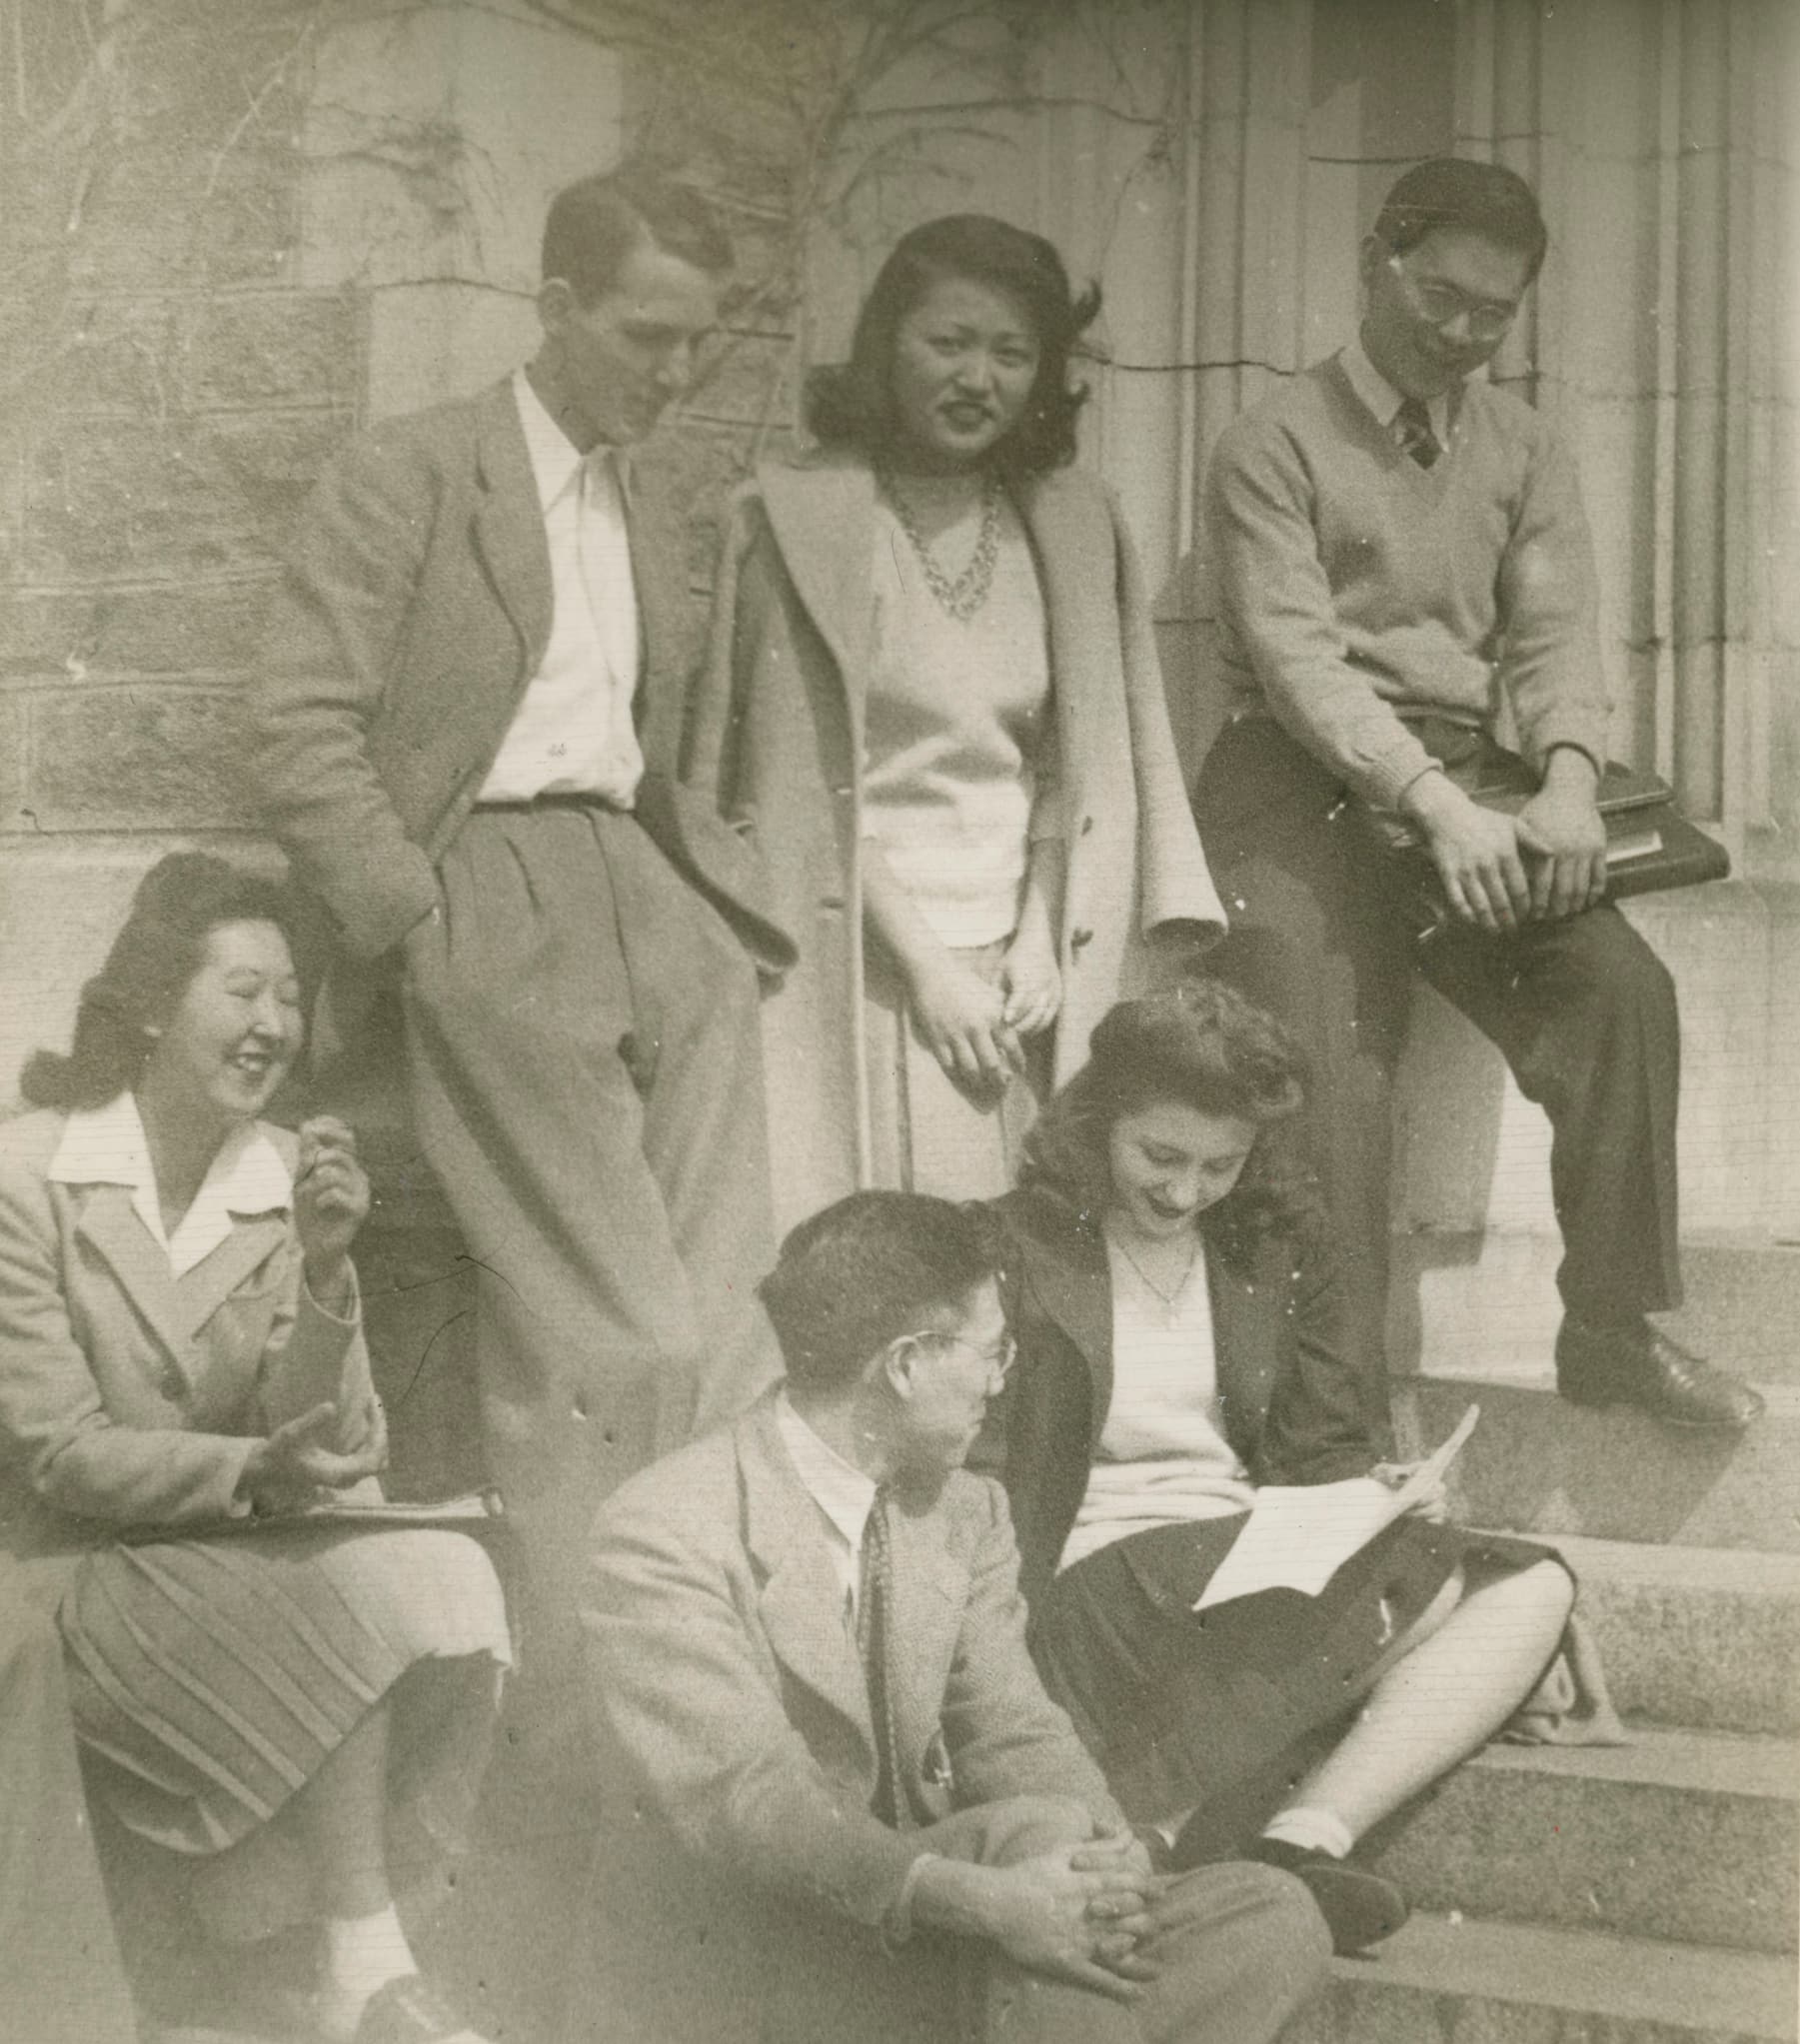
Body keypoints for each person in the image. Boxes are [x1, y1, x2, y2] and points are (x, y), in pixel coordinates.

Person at [250, 168, 794, 1785]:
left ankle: (705, 1672)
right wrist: (415, 922)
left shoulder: (666, 503)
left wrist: (728, 911)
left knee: (723, 1317)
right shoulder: (410, 474)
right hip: (483, 892)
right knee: (606, 1339)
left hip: (656, 903)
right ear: (554, 307)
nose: (675, 375)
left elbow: (681, 737)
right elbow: (297, 721)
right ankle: (592, 1716)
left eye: (700, 344)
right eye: (646, 336)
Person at [1192, 156, 1760, 1433]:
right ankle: (1328, 1429)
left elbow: (1557, 636)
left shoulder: (1523, 444)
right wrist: (1432, 802)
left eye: (1491, 313)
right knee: (1327, 1079)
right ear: (1375, 263)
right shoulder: (1269, 440)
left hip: (1475, 772)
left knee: (1619, 990)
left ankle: (1610, 1332)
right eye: (1439, 297)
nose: (1460, 334)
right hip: (1298, 783)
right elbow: (1296, 662)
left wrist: (1562, 781)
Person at [573, 1190, 1330, 2044]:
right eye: (992, 1349)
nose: (1001, 1379)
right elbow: (752, 1802)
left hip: (921, 1945)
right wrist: (994, 1900)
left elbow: (1010, 1729)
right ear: (904, 1363)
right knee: (1031, 1853)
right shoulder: (661, 1528)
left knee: (1269, 1914)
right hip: (749, 1967)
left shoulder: (963, 1511)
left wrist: (1103, 1858)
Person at [0, 854, 511, 2044]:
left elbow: (336, 1447)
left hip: (215, 1561)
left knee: (443, 1575)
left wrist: (328, 1270)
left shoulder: (285, 1177)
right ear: (149, 1001)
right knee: (347, 1604)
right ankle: (358, 1968)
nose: (273, 1024)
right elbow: (61, 1454)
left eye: (288, 997)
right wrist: (250, 1474)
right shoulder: (29, 1177)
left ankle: (344, 1943)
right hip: (61, 1569)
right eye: (242, 991)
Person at [982, 983, 1578, 1956]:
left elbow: (1323, 1441)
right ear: (1098, 1121)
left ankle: (1297, 1841)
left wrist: (1376, 1493)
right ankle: (1160, 1831)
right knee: (1425, 1590)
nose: (1184, 1191)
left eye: (1222, 1163)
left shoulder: (1274, 1240)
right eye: (1159, 1155)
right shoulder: (1016, 1243)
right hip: (1091, 1571)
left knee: (1532, 1586)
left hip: (1244, 1549)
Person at [684, 213, 1224, 1225]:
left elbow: (1074, 760)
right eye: (948, 342)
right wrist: (930, 970)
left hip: (1016, 971)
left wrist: (1034, 934)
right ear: (888, 345)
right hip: (852, 958)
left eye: (1011, 352)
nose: (978, 376)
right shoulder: (796, 522)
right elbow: (800, 781)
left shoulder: (1067, 523)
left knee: (1008, 1275)